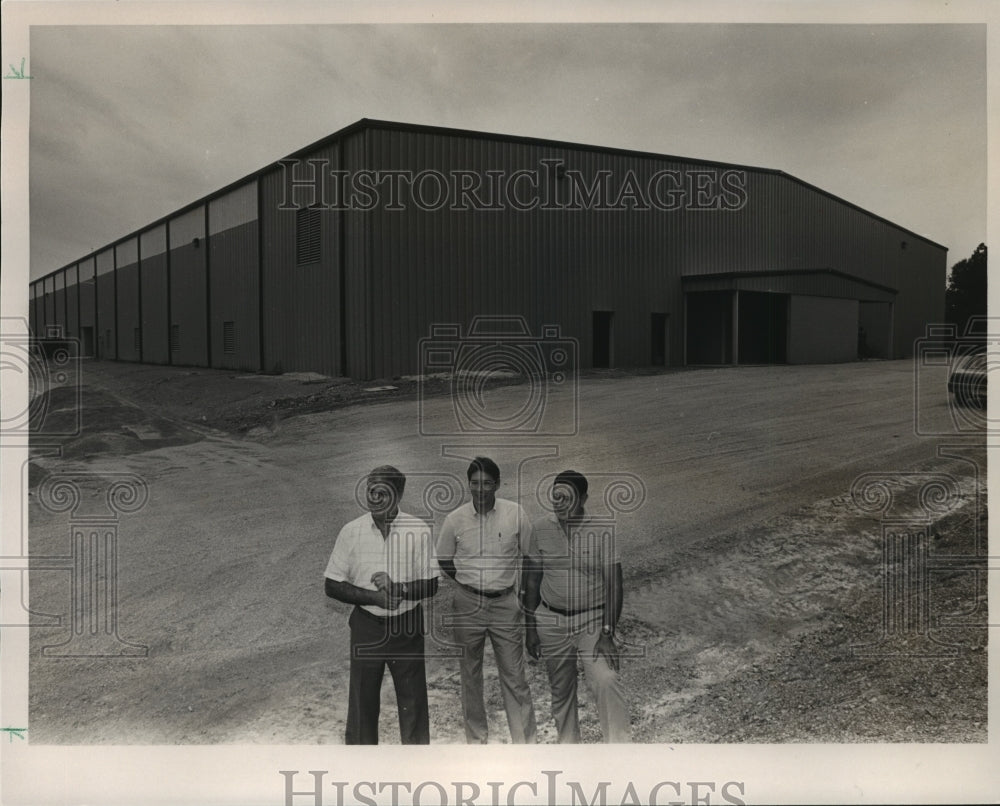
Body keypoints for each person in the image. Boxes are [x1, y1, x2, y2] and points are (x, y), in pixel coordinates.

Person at [324, 465, 439, 744]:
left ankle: (416, 765)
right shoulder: (351, 531)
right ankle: (364, 765)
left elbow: (431, 584)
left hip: (407, 629)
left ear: (398, 496)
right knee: (362, 703)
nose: (373, 498)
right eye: (370, 491)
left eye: (382, 492)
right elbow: (332, 585)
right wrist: (373, 597)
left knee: (413, 703)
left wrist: (399, 588)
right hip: (367, 627)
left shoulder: (417, 530)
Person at [436, 456, 537, 744]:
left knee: (515, 677)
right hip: (467, 605)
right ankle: (477, 743)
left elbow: (531, 557)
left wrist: (522, 596)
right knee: (470, 676)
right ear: (468, 484)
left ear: (498, 484)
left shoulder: (515, 513)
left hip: (505, 605)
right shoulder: (455, 519)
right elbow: (444, 559)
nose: (480, 490)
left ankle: (526, 746)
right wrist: (467, 582)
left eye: (487, 483)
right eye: (475, 483)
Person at [524, 469, 630, 743]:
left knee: (606, 679)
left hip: (592, 621)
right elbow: (532, 581)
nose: (559, 503)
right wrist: (531, 629)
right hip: (551, 622)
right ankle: (569, 751)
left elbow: (614, 585)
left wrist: (607, 633)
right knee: (561, 691)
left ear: (582, 499)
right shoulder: (540, 529)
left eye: (567, 498)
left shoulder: (603, 529)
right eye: (555, 497)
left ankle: (621, 752)